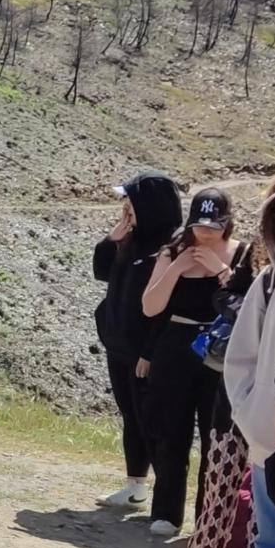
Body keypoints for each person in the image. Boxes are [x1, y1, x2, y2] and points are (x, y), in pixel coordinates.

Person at [175, 193, 271, 548]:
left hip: (268, 387)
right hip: (239, 379)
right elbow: (226, 300)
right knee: (223, 471)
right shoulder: (255, 256)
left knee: (266, 490)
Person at [140, 188, 243, 538]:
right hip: (177, 344)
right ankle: (166, 512)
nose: (206, 232)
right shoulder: (173, 251)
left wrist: (221, 270)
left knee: (216, 434)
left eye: (214, 226)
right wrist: (177, 269)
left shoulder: (241, 254)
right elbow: (150, 307)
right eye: (200, 225)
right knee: (171, 430)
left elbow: (249, 301)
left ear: (227, 223)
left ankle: (208, 518)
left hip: (220, 349)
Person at [92, 172, 182, 511]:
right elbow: (101, 271)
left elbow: (168, 308)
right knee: (131, 415)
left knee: (153, 421)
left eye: (130, 200)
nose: (124, 206)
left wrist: (149, 351)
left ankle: (167, 500)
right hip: (119, 344)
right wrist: (113, 237)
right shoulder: (132, 238)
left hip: (146, 351)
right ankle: (135, 486)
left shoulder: (171, 245)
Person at [223, 180, 275, 548]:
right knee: (273, 538)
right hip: (270, 442)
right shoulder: (269, 283)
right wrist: (253, 414)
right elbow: (241, 358)